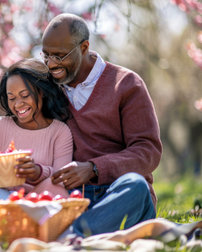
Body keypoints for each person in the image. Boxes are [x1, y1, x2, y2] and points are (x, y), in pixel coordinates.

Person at [41, 13, 162, 237]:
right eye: (46, 55)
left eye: (59, 56)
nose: (51, 64)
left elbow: (148, 152)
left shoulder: (126, 84)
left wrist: (94, 168)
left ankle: (71, 236)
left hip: (119, 197)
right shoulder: (48, 89)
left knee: (136, 186)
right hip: (73, 200)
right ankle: (83, 235)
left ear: (84, 47)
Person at [0, 58, 73, 200]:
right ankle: (19, 213)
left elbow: (61, 178)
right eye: (12, 98)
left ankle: (19, 213)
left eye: (25, 95)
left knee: (56, 186)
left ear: (42, 92)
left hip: (41, 197)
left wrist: (38, 172)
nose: (18, 104)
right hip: (5, 198)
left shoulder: (60, 132)